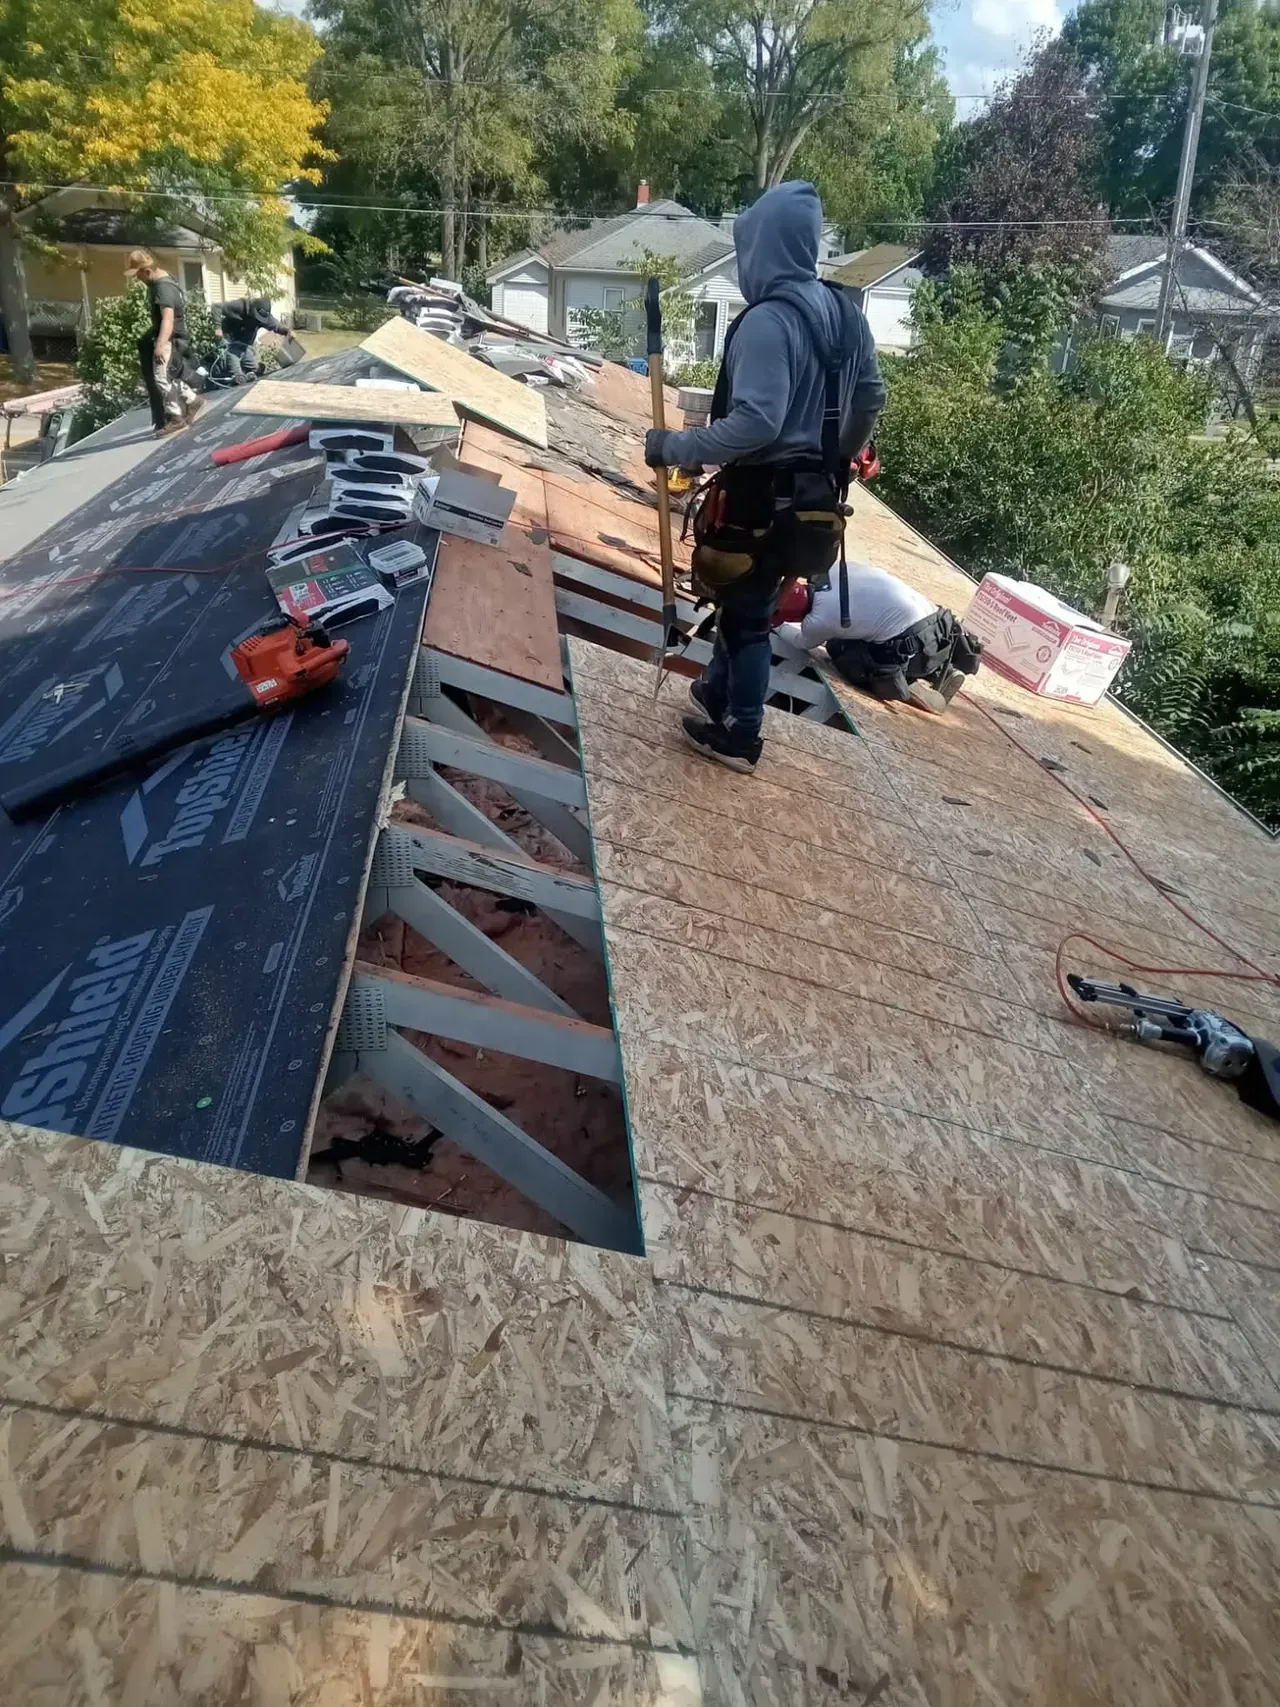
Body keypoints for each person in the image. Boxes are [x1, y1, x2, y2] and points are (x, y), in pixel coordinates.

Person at [644, 180, 884, 773]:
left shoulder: (768, 322)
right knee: (746, 602)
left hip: (760, 498)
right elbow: (870, 398)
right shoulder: (848, 317)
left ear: (764, 248)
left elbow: (755, 423)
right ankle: (717, 692)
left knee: (748, 618)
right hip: (815, 500)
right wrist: (838, 455)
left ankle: (741, 734)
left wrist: (675, 446)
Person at [774, 563, 983, 713]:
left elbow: (800, 642)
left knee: (840, 649)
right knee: (877, 629)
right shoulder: (833, 568)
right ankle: (944, 671)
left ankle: (911, 686)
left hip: (915, 648)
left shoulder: (819, 620)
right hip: (939, 623)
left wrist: (775, 624)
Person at [125, 250, 200, 435]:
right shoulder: (168, 281)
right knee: (171, 376)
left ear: (147, 271)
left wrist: (159, 345)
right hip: (174, 338)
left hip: (169, 339)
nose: (138, 280)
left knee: (161, 378)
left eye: (139, 276)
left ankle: (176, 418)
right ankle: (193, 401)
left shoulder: (162, 288)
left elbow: (168, 319)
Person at [218, 295, 285, 383]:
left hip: (246, 344)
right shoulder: (239, 306)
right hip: (230, 340)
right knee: (233, 360)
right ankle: (237, 376)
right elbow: (217, 307)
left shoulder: (265, 318)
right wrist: (217, 328)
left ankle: (255, 370)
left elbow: (276, 326)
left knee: (253, 366)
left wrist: (287, 331)